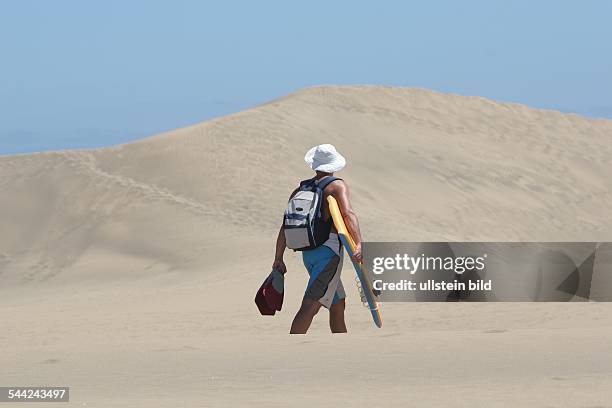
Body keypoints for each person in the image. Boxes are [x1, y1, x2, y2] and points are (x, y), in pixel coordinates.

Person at [272, 144, 363, 334]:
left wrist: (278, 258)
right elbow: (348, 214)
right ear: (334, 165)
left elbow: (285, 225)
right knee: (310, 306)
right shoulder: (336, 185)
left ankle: (341, 346)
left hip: (308, 255)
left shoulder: (301, 189)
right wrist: (359, 243)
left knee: (338, 303)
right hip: (329, 256)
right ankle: (292, 350)